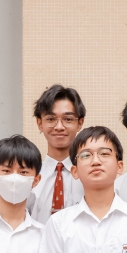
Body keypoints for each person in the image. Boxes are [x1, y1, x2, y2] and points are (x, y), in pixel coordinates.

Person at [28, 84, 86, 224]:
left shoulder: (89, 174)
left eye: (68, 119)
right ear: (39, 123)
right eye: (51, 119)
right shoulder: (29, 176)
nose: (59, 127)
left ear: (80, 123)